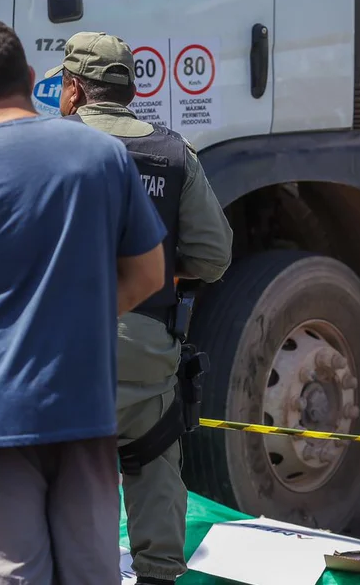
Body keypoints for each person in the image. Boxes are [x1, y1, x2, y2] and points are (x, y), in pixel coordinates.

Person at [0, 18, 168, 584]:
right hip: (86, 414)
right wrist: (73, 321)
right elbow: (148, 274)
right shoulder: (103, 157)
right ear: (28, 76)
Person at [50, 31, 234, 585]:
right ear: (129, 89)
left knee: (63, 473)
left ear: (75, 89)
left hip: (64, 347)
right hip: (149, 346)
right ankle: (155, 573)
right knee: (154, 463)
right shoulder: (174, 153)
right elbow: (214, 256)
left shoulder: (52, 143)